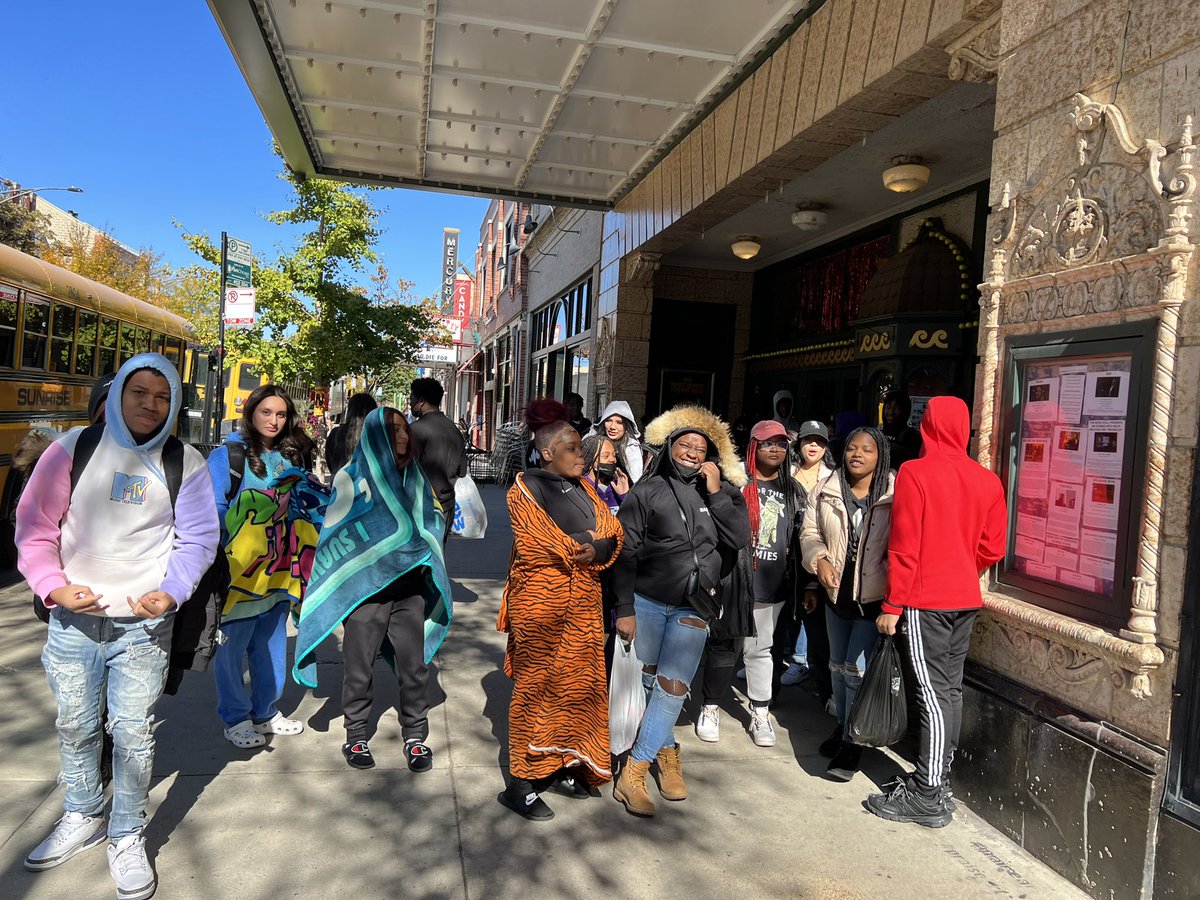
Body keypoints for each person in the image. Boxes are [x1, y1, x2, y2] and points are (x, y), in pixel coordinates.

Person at [16, 353, 219, 899]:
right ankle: (83, 814)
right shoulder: (72, 449)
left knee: (131, 736)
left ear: (175, 400)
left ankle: (126, 833)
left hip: (142, 631)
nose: (151, 405)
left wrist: (171, 592)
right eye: (139, 393)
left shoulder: (186, 462)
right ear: (119, 394)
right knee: (76, 726)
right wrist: (53, 586)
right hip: (72, 625)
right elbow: (35, 526)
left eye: (162, 396)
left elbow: (198, 539)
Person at [866, 396, 1006, 828]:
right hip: (963, 597)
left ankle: (928, 794)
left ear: (927, 426)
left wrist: (893, 604)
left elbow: (904, 546)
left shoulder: (915, 472)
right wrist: (964, 565)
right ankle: (936, 780)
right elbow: (993, 547)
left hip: (926, 600)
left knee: (931, 693)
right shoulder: (987, 480)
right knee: (948, 691)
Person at [293, 407, 453, 773]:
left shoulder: (416, 477)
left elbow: (432, 521)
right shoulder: (350, 478)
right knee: (358, 668)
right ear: (374, 434)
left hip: (409, 589)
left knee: (414, 667)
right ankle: (356, 735)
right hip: (364, 593)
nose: (402, 436)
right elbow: (337, 533)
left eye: (404, 430)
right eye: (393, 430)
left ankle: (415, 737)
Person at [609, 405, 749, 817]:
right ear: (669, 447)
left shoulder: (722, 492)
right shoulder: (646, 492)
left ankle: (634, 770)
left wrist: (717, 491)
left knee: (674, 687)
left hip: (695, 604)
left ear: (711, 455)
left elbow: (739, 537)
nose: (691, 452)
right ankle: (667, 751)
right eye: (685, 444)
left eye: (700, 447)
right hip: (649, 601)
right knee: (651, 683)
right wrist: (625, 607)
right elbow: (626, 553)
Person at [496, 399, 624, 820]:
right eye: (571, 447)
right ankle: (520, 783)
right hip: (540, 606)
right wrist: (588, 544)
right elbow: (540, 544)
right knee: (535, 690)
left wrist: (596, 545)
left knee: (580, 687)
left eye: (581, 447)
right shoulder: (524, 489)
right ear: (547, 451)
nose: (581, 454)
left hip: (585, 604)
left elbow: (613, 529)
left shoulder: (586, 486)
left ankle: (565, 762)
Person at [208, 385, 316, 750]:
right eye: (266, 412)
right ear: (251, 413)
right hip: (238, 574)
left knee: (271, 642)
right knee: (231, 647)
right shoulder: (229, 456)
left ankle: (266, 711)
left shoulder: (290, 457)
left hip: (281, 571)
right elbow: (211, 512)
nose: (273, 420)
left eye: (281, 414)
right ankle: (235, 718)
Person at [695, 420, 802, 747]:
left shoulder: (793, 489)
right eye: (769, 442)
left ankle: (760, 712)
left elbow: (798, 537)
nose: (776, 449)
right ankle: (710, 707)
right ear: (755, 445)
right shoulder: (734, 483)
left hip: (773, 584)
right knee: (724, 645)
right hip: (734, 578)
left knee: (761, 650)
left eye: (782, 444)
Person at [801, 426, 893, 782]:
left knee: (856, 671)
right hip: (835, 595)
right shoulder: (826, 489)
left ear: (879, 455)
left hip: (873, 600)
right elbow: (809, 533)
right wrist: (819, 560)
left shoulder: (894, 493)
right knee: (837, 666)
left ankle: (854, 743)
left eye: (866, 450)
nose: (857, 455)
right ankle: (842, 728)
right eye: (852, 448)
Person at [782, 421, 836, 692]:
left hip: (814, 551)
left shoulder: (833, 478)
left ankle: (800, 660)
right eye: (808, 441)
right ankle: (771, 655)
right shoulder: (785, 471)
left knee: (808, 604)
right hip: (783, 550)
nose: (813, 446)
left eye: (820, 442)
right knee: (783, 605)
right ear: (798, 443)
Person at [410, 377, 468, 541]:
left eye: (411, 398)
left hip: (420, 508)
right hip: (447, 506)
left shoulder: (415, 430)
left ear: (421, 401)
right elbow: (462, 471)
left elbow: (406, 470)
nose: (410, 403)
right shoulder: (454, 430)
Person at [588, 400, 647, 483]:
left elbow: (636, 481)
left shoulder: (631, 448)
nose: (612, 427)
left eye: (619, 423)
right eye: (608, 420)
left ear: (626, 426)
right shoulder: (593, 438)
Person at [325, 392, 378, 476]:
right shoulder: (378, 435)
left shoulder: (336, 434)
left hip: (339, 485)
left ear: (350, 410)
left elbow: (330, 462)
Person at [580, 433, 631, 515]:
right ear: (590, 459)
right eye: (605, 456)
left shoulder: (617, 484)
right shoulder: (580, 488)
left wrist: (624, 495)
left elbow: (632, 516)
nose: (612, 460)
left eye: (614, 455)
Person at [881, 389, 922, 467]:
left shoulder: (911, 436)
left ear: (905, 411)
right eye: (888, 407)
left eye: (897, 408)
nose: (891, 412)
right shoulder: (878, 432)